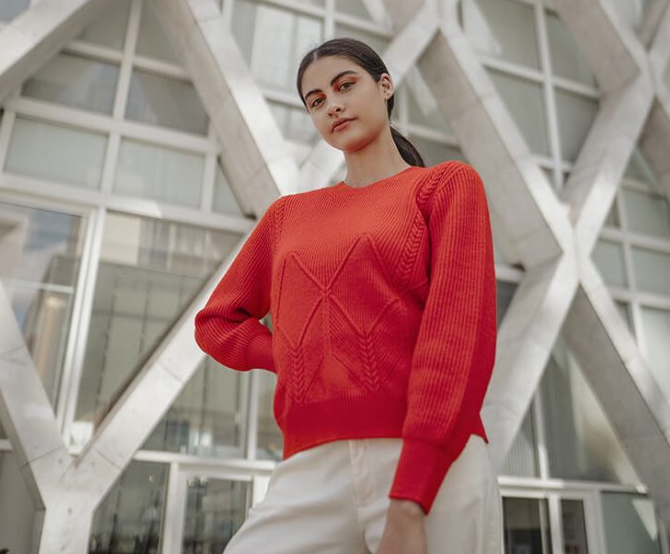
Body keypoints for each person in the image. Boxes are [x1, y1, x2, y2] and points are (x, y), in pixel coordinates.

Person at [194, 37, 501, 554]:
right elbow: (217, 321)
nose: (331, 104)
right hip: (309, 463)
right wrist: (292, 356)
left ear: (385, 87)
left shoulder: (445, 187)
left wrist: (410, 499)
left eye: (344, 85)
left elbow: (457, 339)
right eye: (315, 100)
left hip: (432, 460)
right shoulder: (287, 216)